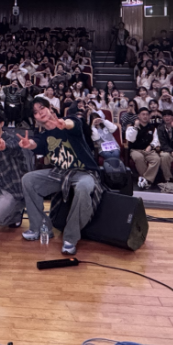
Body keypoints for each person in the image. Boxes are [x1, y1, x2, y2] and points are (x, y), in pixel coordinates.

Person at [18, 96, 102, 255]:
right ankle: (40, 227)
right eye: (35, 112)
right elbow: (37, 143)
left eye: (42, 108)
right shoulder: (43, 135)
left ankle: (70, 237)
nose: (40, 113)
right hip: (61, 173)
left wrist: (64, 124)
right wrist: (29, 145)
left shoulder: (70, 121)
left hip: (84, 172)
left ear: (50, 108)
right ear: (35, 118)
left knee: (83, 187)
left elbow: (74, 124)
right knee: (28, 180)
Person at [125, 108, 161, 190]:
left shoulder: (152, 128)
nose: (145, 116)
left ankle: (145, 179)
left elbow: (156, 140)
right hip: (135, 149)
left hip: (148, 150)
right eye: (143, 114)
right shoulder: (131, 126)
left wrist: (151, 146)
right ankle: (147, 181)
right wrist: (135, 127)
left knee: (156, 159)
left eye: (147, 114)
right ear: (138, 116)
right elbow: (130, 139)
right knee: (139, 158)